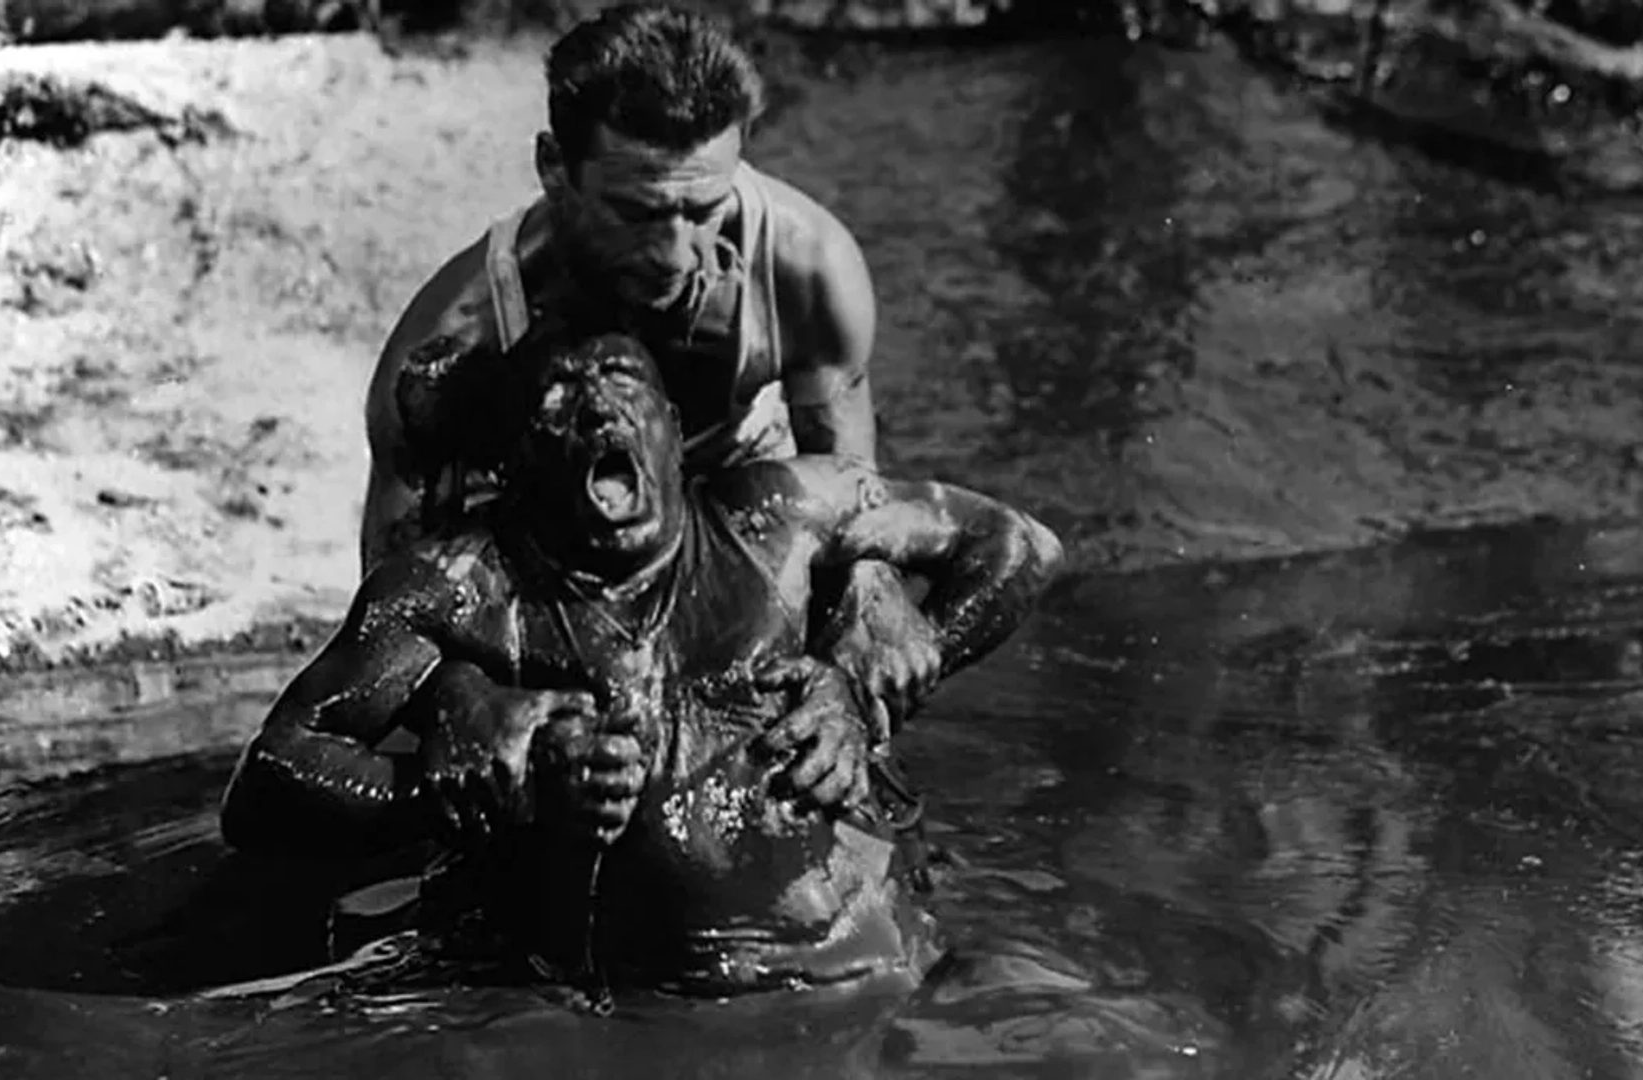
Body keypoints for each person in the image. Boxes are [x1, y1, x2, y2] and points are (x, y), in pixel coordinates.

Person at [220, 329, 1065, 1000]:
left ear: (672, 426)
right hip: (586, 1001)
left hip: (865, 970)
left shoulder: (779, 519)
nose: (596, 410)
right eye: (558, 399)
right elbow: (267, 788)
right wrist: (463, 794)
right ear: (511, 466)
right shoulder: (461, 590)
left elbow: (1018, 546)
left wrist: (865, 689)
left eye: (624, 383)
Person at [359, 3, 933, 735]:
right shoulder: (452, 347)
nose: (674, 254)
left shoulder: (806, 268)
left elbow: (846, 487)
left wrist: (871, 596)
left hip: (735, 499)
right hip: (548, 530)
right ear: (553, 168)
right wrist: (465, 704)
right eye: (636, 213)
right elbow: (390, 612)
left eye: (702, 210)